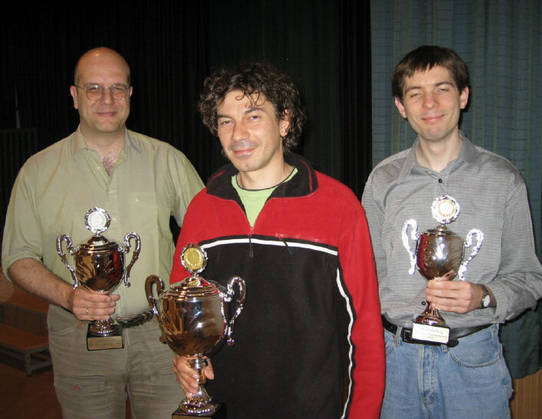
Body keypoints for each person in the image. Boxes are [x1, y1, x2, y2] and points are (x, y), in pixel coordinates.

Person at [169, 62, 385, 418]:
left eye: (253, 117)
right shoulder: (202, 208)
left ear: (284, 121)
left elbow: (364, 329)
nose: (238, 134)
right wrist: (184, 355)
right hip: (225, 406)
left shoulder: (338, 206)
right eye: (226, 121)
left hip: (313, 408)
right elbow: (185, 310)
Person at [1, 47, 204, 418]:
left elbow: (208, 238)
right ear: (75, 96)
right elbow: (18, 258)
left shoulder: (167, 160)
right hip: (77, 340)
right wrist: (68, 295)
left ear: (130, 94)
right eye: (93, 88)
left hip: (161, 338)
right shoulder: (37, 172)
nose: (107, 99)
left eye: (117, 88)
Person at [362, 45, 542, 418]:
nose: (429, 103)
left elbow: (529, 278)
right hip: (395, 363)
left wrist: (484, 296)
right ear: (400, 106)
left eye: (442, 89)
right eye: (415, 93)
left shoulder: (503, 179)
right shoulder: (382, 181)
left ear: (463, 96)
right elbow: (365, 277)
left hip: (473, 363)